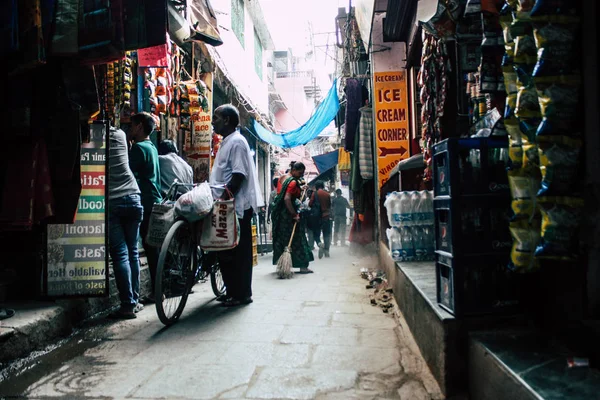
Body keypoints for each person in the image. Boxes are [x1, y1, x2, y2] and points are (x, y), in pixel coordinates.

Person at [209, 104, 263, 307]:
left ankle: (242, 294)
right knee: (226, 250)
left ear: (227, 121)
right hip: (227, 205)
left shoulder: (237, 142)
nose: (213, 122)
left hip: (236, 206)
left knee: (237, 252)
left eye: (216, 117)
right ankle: (232, 290)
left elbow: (238, 175)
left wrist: (224, 199)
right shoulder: (226, 142)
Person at [108, 127, 144, 319]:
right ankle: (135, 301)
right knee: (132, 252)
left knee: (121, 254)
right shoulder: (121, 134)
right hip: (133, 196)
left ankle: (127, 305)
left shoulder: (94, 137)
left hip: (113, 199)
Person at [128, 112, 162, 303]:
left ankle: (157, 291)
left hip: (144, 200)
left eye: (132, 126)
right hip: (153, 199)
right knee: (152, 249)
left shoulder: (139, 149)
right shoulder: (151, 147)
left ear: (140, 126)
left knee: (147, 248)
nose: (130, 129)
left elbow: (129, 173)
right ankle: (158, 290)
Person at [272, 162, 314, 273]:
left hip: (281, 215)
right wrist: (294, 215)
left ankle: (283, 266)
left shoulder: (283, 178)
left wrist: (300, 189)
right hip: (289, 214)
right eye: (300, 173)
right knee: (298, 239)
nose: (301, 175)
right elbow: (287, 198)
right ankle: (303, 266)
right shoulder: (292, 182)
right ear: (294, 170)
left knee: (283, 239)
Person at [310, 181, 332, 259]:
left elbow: (310, 204)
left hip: (317, 218)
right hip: (326, 216)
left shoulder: (314, 194)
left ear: (316, 186)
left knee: (316, 233)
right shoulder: (327, 194)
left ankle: (319, 244)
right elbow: (329, 205)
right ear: (322, 186)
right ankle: (327, 252)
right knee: (326, 234)